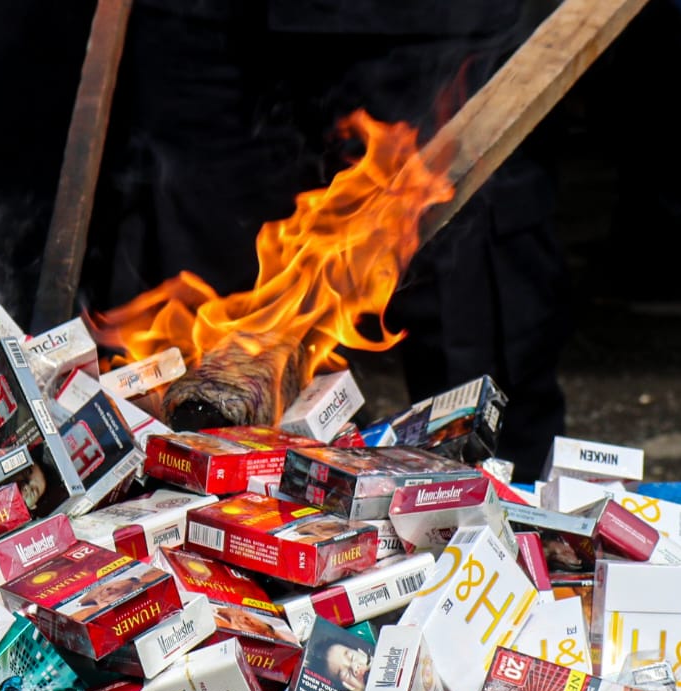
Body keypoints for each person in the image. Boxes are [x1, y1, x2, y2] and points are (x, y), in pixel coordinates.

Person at [86, 0, 570, 480]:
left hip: (422, 22)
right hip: (206, 27)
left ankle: (520, 530)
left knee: (473, 334)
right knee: (203, 344)